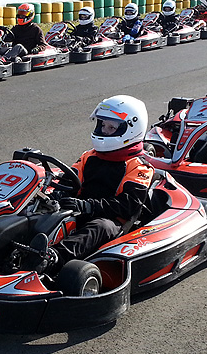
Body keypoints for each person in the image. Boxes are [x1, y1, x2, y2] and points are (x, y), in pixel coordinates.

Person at [34, 95, 153, 269]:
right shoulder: (88, 156)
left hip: (112, 220)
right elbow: (69, 182)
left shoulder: (138, 166)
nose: (104, 131)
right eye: (102, 125)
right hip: (78, 209)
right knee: (39, 210)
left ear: (131, 130)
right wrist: (58, 196)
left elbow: (128, 206)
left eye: (111, 127)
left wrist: (88, 206)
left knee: (99, 226)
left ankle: (52, 258)